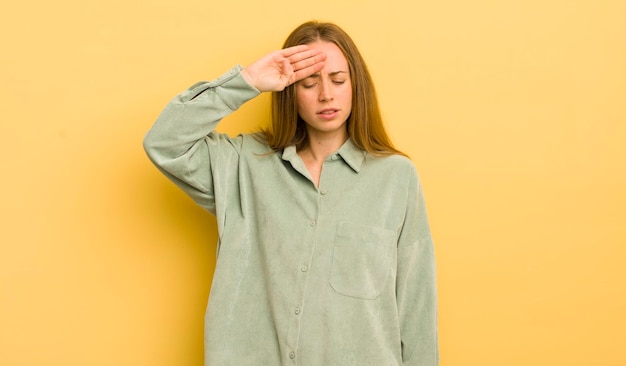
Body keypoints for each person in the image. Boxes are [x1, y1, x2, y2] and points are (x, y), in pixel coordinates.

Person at [144, 20, 438, 366]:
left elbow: (416, 304)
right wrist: (247, 82)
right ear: (289, 91)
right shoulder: (243, 165)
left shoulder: (396, 177)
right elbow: (164, 143)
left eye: (338, 80)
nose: (326, 94)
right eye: (309, 83)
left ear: (356, 85)